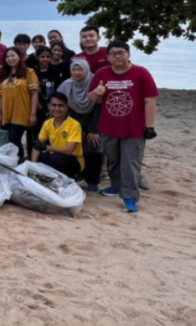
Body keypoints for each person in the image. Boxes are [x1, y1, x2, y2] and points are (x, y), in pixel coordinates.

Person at [88, 40, 158, 213]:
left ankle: (129, 197)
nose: (117, 56)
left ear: (128, 54)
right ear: (108, 57)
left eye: (121, 53)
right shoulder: (102, 73)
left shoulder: (141, 73)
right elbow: (91, 98)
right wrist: (97, 92)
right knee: (113, 160)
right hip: (109, 126)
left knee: (130, 162)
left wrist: (150, 127)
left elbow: (150, 101)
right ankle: (117, 185)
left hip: (134, 128)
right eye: (113, 53)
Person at [58, 58, 104, 192]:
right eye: (74, 69)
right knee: (73, 147)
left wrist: (93, 130)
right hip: (74, 119)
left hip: (93, 119)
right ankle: (78, 175)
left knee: (94, 147)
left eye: (80, 69)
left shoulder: (95, 83)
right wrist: (78, 130)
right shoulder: (67, 84)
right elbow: (63, 104)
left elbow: (99, 107)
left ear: (87, 69)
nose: (77, 72)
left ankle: (93, 180)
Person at [0, 47, 39, 159]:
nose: (10, 59)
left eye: (12, 56)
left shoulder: (29, 72)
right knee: (9, 142)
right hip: (7, 114)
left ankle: (19, 164)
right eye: (7, 57)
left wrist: (33, 114)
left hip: (21, 113)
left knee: (14, 141)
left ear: (19, 57)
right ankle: (15, 163)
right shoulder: (4, 75)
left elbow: (34, 94)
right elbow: (0, 96)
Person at [30, 93, 84, 178]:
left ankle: (70, 178)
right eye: (54, 105)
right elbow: (37, 146)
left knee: (55, 160)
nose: (57, 109)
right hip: (54, 156)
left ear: (66, 107)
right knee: (28, 160)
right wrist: (33, 167)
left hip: (74, 160)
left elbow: (69, 151)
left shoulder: (74, 124)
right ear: (49, 106)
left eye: (60, 106)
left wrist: (46, 147)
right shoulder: (47, 123)